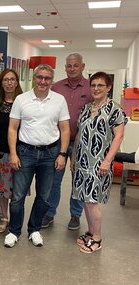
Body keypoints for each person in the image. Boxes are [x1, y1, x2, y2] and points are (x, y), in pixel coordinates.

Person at [4, 64, 70, 248]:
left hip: (50, 153)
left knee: (44, 197)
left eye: (47, 78)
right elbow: (12, 128)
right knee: (18, 197)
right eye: (40, 77)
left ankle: (34, 230)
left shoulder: (59, 100)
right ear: (34, 78)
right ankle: (14, 231)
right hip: (25, 153)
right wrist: (13, 153)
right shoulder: (21, 99)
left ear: (52, 80)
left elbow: (65, 129)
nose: (43, 81)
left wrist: (62, 154)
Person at [71, 72, 126, 253]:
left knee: (92, 201)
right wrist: (73, 158)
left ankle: (97, 238)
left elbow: (119, 136)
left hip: (99, 163)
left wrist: (108, 160)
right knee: (84, 200)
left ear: (108, 87)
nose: (96, 89)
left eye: (100, 85)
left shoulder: (115, 109)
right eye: (93, 85)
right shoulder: (87, 108)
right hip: (81, 162)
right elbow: (79, 134)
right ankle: (90, 231)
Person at [42, 53, 93, 230]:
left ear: (82, 66)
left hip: (82, 144)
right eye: (69, 66)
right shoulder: (56, 87)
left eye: (75, 65)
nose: (72, 69)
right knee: (53, 180)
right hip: (58, 142)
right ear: (65, 67)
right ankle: (49, 213)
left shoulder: (90, 88)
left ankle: (75, 215)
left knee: (77, 180)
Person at [0, 69, 22, 233]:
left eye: (12, 79)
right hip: (1, 152)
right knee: (3, 189)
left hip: (21, 153)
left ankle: (16, 219)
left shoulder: (24, 102)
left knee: (18, 189)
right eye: (6, 80)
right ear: (1, 83)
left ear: (17, 82)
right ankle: (4, 218)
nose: (9, 83)